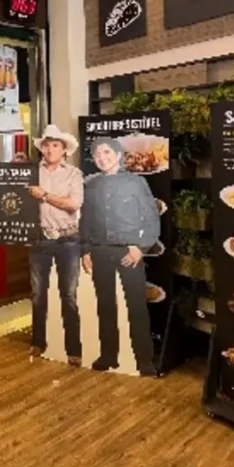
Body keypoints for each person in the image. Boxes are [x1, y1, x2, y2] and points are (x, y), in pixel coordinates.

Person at [80, 137, 161, 375]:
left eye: (106, 152)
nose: (102, 157)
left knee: (136, 305)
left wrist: (140, 247)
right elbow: (85, 220)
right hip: (100, 251)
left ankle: (144, 360)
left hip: (129, 251)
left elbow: (151, 218)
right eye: (97, 154)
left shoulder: (136, 182)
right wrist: (85, 250)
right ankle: (108, 355)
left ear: (117, 155)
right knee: (105, 305)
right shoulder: (91, 184)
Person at [26, 125, 84, 366]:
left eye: (55, 145)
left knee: (68, 295)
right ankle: (38, 342)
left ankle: (74, 348)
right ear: (42, 148)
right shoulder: (31, 172)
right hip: (40, 238)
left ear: (64, 150)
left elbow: (74, 204)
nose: (50, 149)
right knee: (38, 294)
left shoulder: (74, 174)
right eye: (47, 145)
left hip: (68, 239)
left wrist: (45, 195)